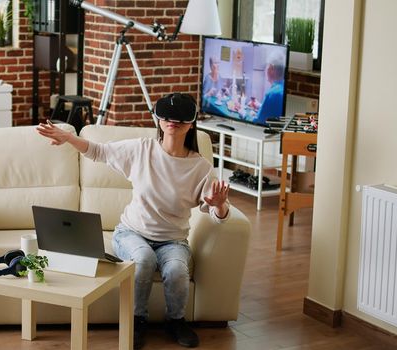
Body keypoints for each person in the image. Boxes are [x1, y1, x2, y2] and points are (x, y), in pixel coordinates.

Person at [36, 93, 231, 349]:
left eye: (180, 119)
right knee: (144, 259)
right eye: (167, 117)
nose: (173, 122)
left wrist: (219, 205)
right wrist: (69, 137)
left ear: (191, 124)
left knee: (176, 271)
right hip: (132, 233)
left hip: (173, 240)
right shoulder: (141, 149)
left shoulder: (201, 167)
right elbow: (99, 151)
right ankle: (136, 320)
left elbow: (216, 214)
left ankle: (176, 321)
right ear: (159, 121)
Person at [254, 51, 286, 124]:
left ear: (272, 68)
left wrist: (242, 113)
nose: (266, 70)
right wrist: (260, 106)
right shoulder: (283, 88)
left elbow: (258, 121)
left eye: (268, 67)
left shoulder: (272, 94)